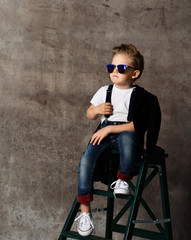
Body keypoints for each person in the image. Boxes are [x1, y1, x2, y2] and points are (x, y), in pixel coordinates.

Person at [75, 43, 161, 236]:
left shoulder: (140, 96)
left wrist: (111, 129)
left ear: (134, 73)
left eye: (121, 68)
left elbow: (137, 126)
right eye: (111, 67)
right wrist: (97, 110)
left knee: (129, 142)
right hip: (105, 131)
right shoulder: (105, 91)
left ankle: (123, 179)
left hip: (125, 130)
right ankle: (85, 213)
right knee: (86, 160)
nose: (114, 71)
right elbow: (90, 114)